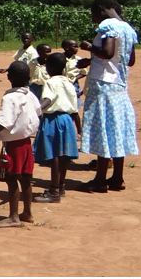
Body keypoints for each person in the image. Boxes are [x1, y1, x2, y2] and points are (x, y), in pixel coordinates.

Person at [78, 0, 139, 193]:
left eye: (93, 13)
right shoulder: (128, 28)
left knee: (103, 128)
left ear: (102, 8)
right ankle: (117, 178)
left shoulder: (108, 26)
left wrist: (89, 47)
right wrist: (92, 60)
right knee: (116, 129)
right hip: (119, 85)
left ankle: (100, 180)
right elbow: (129, 61)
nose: (93, 18)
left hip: (103, 85)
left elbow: (107, 52)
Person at [0, 61, 42, 228]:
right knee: (25, 178)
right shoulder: (30, 95)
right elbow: (38, 111)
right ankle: (27, 213)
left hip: (13, 144)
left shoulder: (10, 98)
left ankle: (13, 217)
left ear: (9, 77)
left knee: (12, 178)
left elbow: (3, 123)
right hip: (26, 142)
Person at [32, 52, 80, 203]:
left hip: (53, 119)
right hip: (68, 120)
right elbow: (75, 109)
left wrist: (37, 110)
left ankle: (54, 191)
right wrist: (80, 129)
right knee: (63, 156)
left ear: (48, 67)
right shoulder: (69, 83)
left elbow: (48, 99)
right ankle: (61, 186)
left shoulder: (50, 82)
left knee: (54, 156)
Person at [61, 38, 88, 110]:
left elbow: (84, 72)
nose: (77, 48)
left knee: (74, 105)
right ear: (66, 48)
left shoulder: (78, 60)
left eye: (77, 46)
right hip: (61, 83)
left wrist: (75, 78)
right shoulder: (59, 58)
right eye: (74, 46)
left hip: (73, 83)